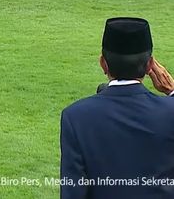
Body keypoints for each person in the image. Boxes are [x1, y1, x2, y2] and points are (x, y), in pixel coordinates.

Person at [60, 17, 174, 198]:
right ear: (150, 65)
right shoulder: (170, 112)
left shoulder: (75, 117)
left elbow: (73, 192)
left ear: (103, 63)